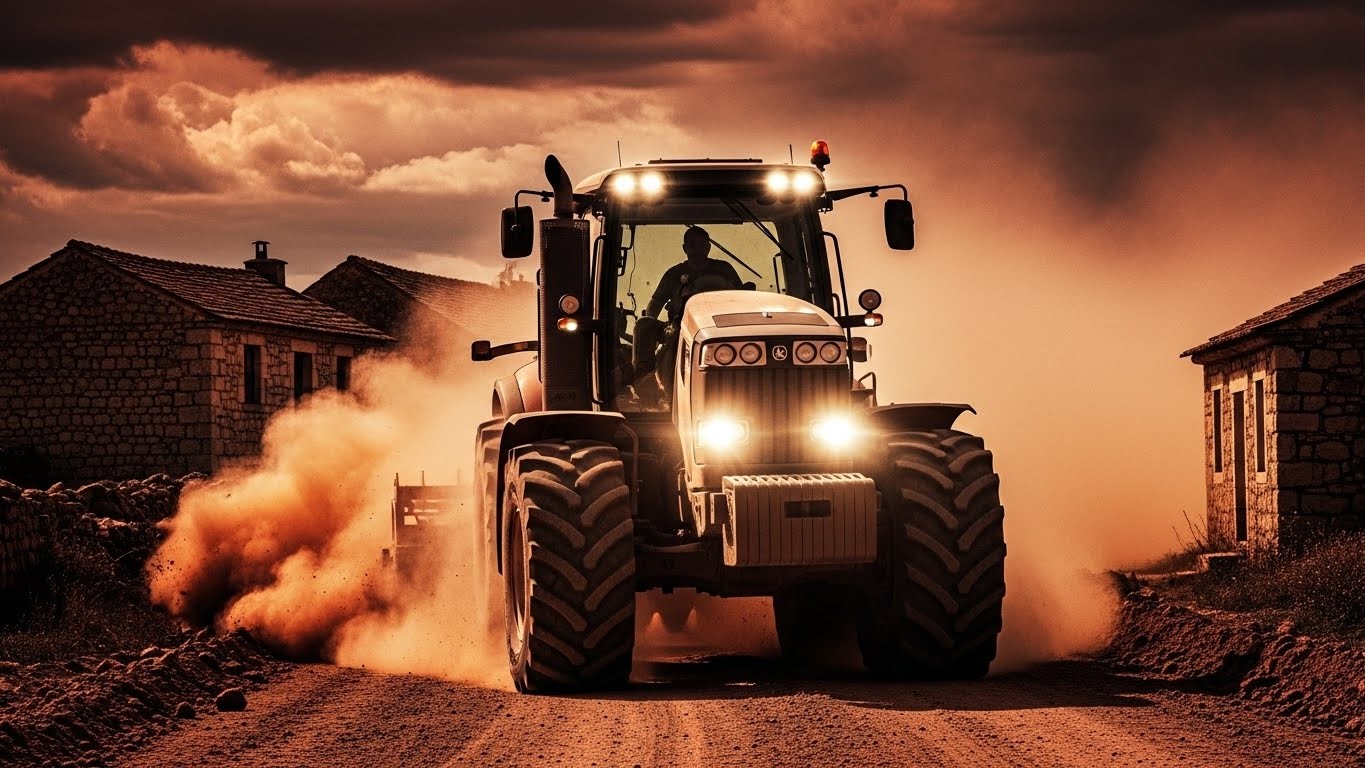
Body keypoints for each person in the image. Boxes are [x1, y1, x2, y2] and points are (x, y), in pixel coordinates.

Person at [643, 226, 742, 322]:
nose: (697, 250)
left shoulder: (724, 270)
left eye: (701, 245)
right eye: (692, 245)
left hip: (721, 327)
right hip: (681, 329)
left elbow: (741, 299)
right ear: (684, 248)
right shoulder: (673, 275)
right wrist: (648, 324)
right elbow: (655, 306)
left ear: (708, 247)